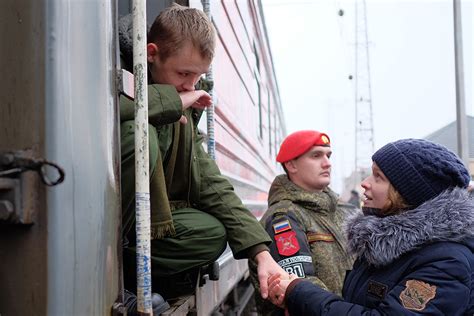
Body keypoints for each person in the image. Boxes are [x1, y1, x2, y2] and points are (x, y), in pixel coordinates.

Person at [118, 3, 284, 311]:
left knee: (211, 233)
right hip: (108, 220)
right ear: (151, 54)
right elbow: (113, 105)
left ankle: (131, 271)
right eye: (183, 73)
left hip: (147, 225)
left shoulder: (182, 96)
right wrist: (173, 101)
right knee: (138, 136)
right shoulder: (119, 62)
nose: (191, 85)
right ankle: (113, 272)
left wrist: (261, 254)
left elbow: (210, 181)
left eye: (198, 77)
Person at [268, 138, 474, 315]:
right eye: (315, 156)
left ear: (406, 193)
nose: (365, 183)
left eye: (379, 177)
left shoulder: (446, 262)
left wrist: (298, 292)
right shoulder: (384, 242)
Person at [249, 130, 358, 315]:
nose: (327, 163)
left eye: (328, 155)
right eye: (316, 156)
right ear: (291, 165)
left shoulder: (340, 211)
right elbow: (300, 288)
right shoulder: (284, 217)